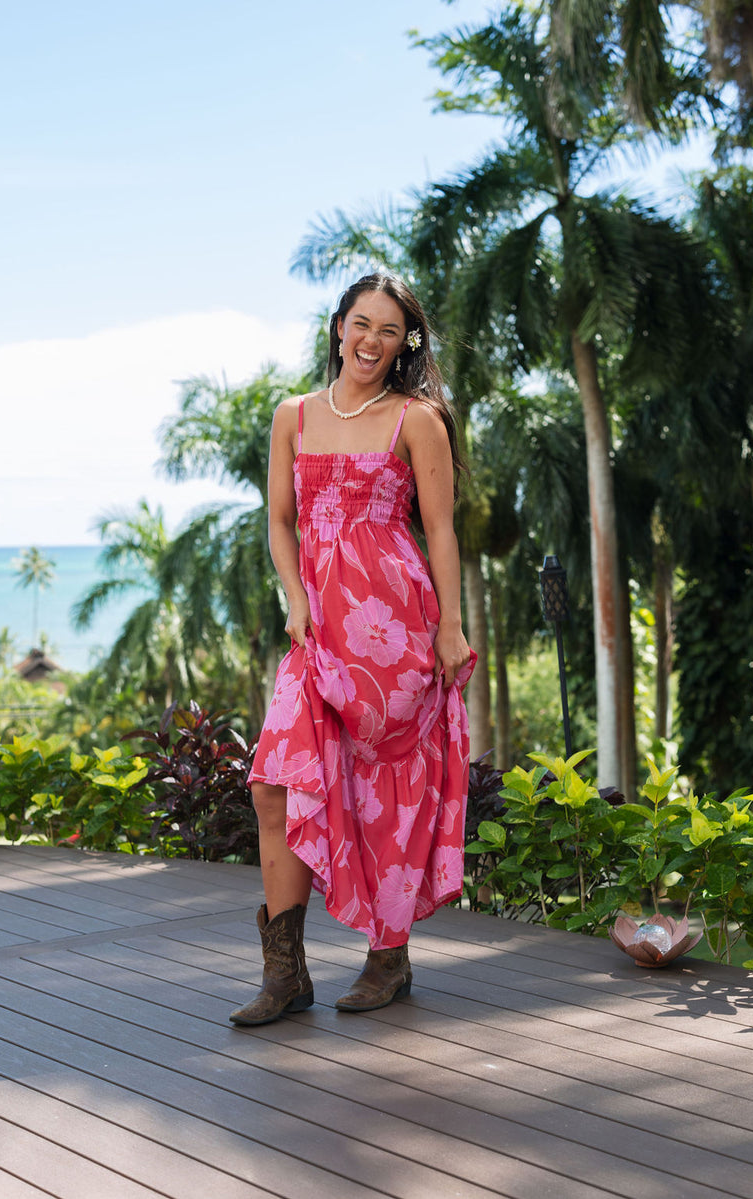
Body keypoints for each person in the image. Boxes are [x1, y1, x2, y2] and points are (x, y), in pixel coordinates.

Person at [229, 273, 475, 1026]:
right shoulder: (292, 415)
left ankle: (388, 956)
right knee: (275, 784)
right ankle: (285, 973)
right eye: (360, 323)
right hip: (319, 632)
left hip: (395, 627)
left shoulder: (417, 420)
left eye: (389, 330)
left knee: (382, 790)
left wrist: (451, 626)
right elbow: (279, 522)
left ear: (406, 343)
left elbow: (440, 530)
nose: (371, 340)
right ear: (338, 326)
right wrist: (295, 600)